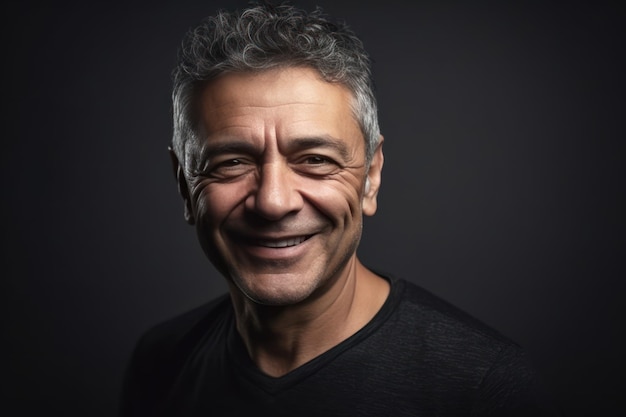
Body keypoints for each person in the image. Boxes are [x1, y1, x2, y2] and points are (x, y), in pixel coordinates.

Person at [120, 3, 560, 416]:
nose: (274, 202)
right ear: (185, 184)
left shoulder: (483, 388)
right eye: (231, 162)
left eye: (315, 160)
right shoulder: (161, 363)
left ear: (370, 176)